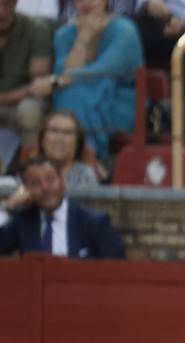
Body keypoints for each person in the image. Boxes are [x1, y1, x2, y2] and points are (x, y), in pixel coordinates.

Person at [35, 0, 143, 161]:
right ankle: (81, 156)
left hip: (118, 101)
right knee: (72, 94)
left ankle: (85, 155)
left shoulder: (125, 31)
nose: (86, 2)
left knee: (74, 95)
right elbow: (62, 72)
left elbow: (100, 72)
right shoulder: (65, 34)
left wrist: (56, 82)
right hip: (75, 98)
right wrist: (83, 38)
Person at [0, 154, 125, 257]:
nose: (45, 187)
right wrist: (8, 207)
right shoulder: (23, 221)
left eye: (50, 179)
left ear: (62, 181)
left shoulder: (93, 222)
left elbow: (118, 268)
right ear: (26, 189)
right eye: (35, 183)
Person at [0, 0, 52, 164]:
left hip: (21, 104)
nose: (2, 13)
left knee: (29, 109)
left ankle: (30, 164)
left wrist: (8, 97)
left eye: (7, 5)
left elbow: (38, 84)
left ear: (16, 3)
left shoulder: (35, 29)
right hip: (16, 95)